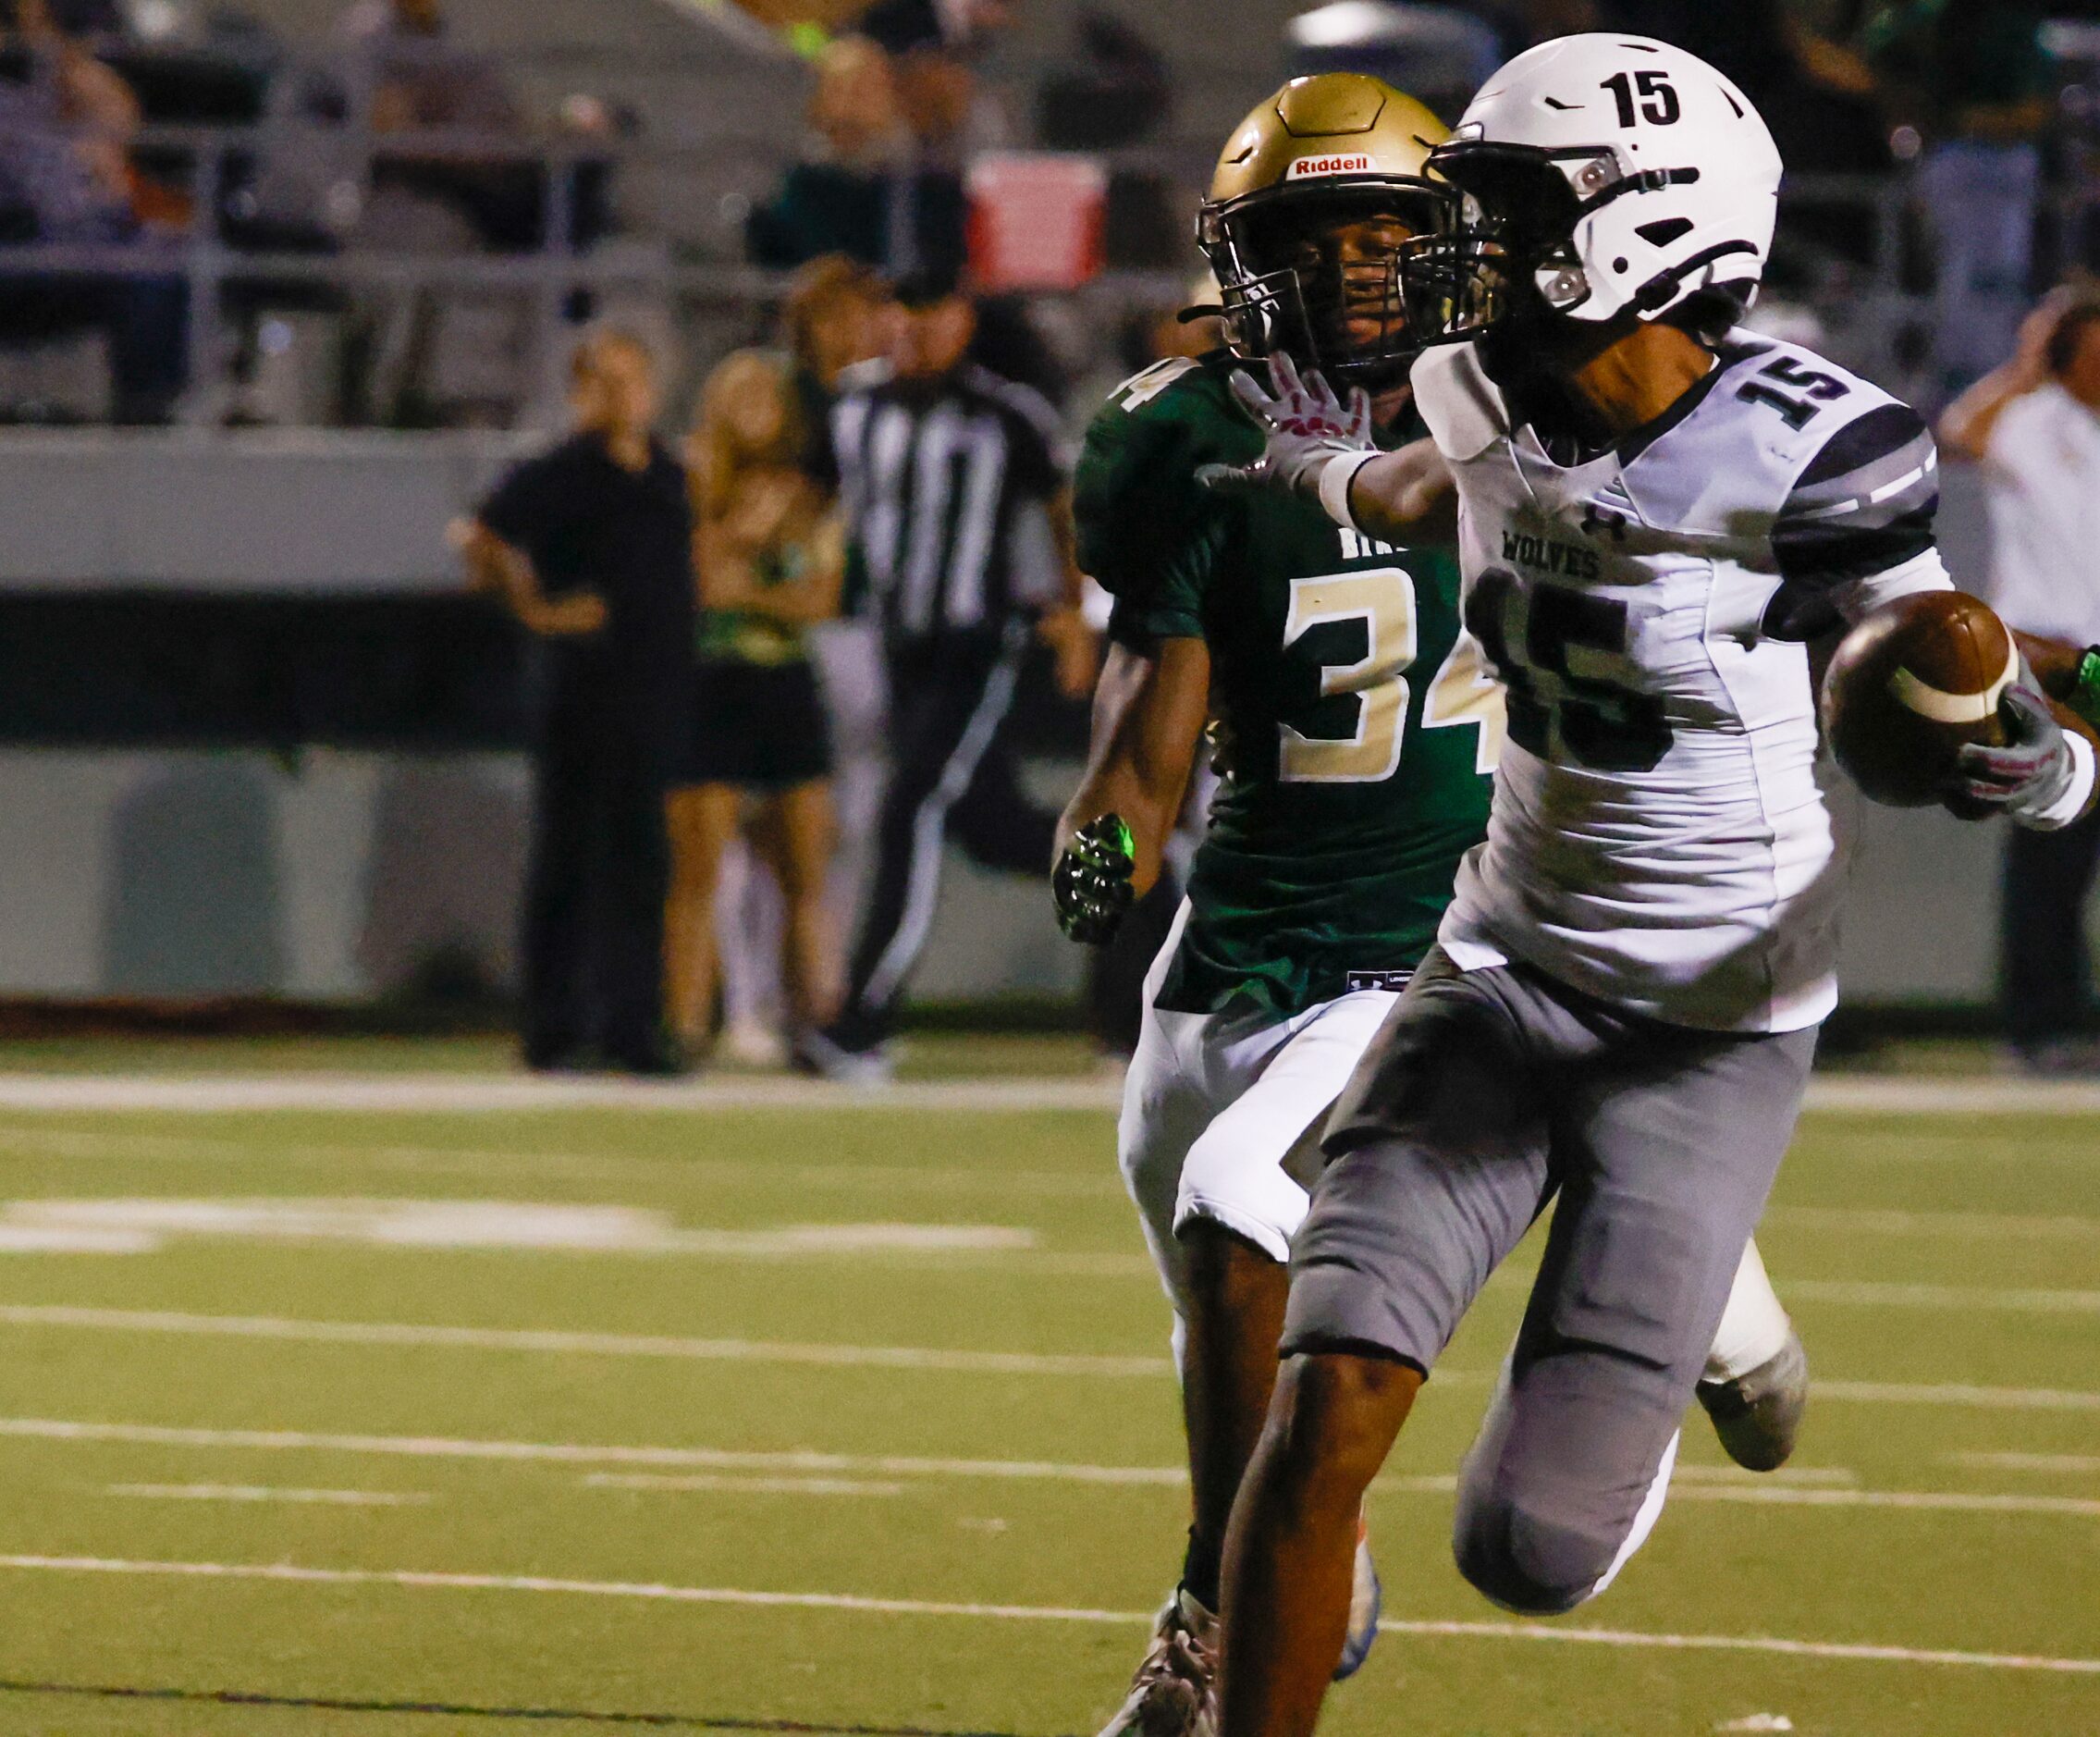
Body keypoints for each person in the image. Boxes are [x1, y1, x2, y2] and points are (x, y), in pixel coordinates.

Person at [1201, 38, 2098, 1737]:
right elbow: (1429, 479)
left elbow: (1926, 659)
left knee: (1526, 1550)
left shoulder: (1808, 447)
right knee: (1319, 1417)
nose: (1465, 240)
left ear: (1644, 226)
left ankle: (1711, 1303)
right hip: (1497, 966)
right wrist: (1315, 474)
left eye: (1510, 203)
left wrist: (2038, 762)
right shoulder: (1478, 385)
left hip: (1708, 1020)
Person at [1050, 71, 1812, 1737]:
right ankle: (1682, 1251)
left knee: (1244, 1217)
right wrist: (1108, 819)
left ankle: (1213, 1617)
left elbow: (1803, 567)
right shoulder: (1179, 431)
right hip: (1245, 922)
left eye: (1389, 238)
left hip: (1442, 925)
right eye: (1310, 246)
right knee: (1193, 1222)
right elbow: (1148, 701)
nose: (1354, 280)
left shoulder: (1565, 397)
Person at [804, 272, 1094, 1079]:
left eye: (932, 311)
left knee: (911, 808)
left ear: (962, 320)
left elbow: (1062, 512)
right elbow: (810, 499)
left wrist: (1075, 621)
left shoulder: (1004, 411)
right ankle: (1135, 869)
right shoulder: (850, 405)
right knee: (990, 828)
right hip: (895, 645)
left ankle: (860, 1023)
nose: (914, 328)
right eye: (903, 310)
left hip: (977, 641)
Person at [456, 329, 693, 1075]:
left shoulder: (668, 473)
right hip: (582, 687)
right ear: (581, 390)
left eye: (635, 380)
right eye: (608, 382)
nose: (624, 396)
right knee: (571, 855)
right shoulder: (561, 473)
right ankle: (555, 1024)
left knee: (643, 858)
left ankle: (632, 1025)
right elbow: (480, 536)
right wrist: (536, 610)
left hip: (652, 687)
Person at [668, 266, 877, 1059]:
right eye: (741, 395)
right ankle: (689, 1027)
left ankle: (816, 1025)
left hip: (783, 677)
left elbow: (815, 599)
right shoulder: (692, 482)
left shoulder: (803, 490)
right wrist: (748, 560)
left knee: (805, 868)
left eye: (767, 397)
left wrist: (740, 579)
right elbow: (692, 584)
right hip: (711, 680)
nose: (757, 408)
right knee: (697, 870)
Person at [1941, 290, 2100, 1069]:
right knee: (2051, 846)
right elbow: (1956, 430)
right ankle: (2039, 1027)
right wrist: (2029, 357)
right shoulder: (2031, 421)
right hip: (2053, 662)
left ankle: (2065, 1021)